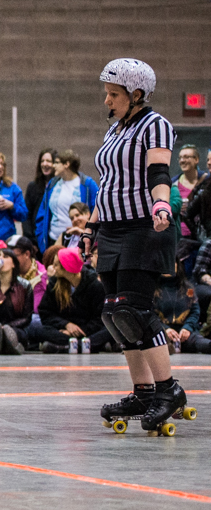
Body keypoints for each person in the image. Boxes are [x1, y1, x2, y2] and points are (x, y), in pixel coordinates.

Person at [89, 58, 190, 431]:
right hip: (112, 229)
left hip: (144, 227)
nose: (107, 101)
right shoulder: (114, 132)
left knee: (134, 310)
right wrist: (90, 228)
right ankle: (143, 392)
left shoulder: (156, 125)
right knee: (113, 314)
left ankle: (169, 390)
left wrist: (162, 201)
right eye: (106, 94)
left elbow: (158, 172)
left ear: (135, 94)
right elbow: (107, 186)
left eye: (113, 94)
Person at [28, 245, 108, 353]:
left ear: (67, 267)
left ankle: (65, 346)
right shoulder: (54, 283)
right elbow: (46, 312)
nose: (53, 267)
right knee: (37, 329)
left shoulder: (94, 285)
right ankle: (88, 346)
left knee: (109, 330)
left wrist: (82, 331)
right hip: (64, 331)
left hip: (88, 330)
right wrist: (66, 325)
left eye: (56, 264)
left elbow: (99, 318)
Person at [33, 148, 99, 248]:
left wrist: (90, 235)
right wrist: (42, 242)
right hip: (53, 240)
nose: (53, 166)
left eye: (57, 163)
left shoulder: (87, 184)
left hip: (77, 240)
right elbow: (42, 214)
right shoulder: (52, 184)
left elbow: (98, 211)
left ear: (66, 164)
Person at [23, 149, 56, 235]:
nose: (45, 164)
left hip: (54, 236)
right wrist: (30, 238)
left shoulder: (59, 187)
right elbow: (27, 215)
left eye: (48, 161)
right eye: (42, 161)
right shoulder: (33, 187)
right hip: (35, 236)